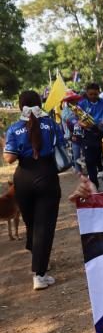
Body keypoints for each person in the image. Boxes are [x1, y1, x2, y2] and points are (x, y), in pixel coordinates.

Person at [3, 91, 64, 290]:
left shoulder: (14, 128)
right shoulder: (51, 124)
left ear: (20, 106)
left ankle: (36, 254)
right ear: (40, 104)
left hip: (23, 180)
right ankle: (39, 274)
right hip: (47, 176)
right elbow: (61, 145)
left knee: (32, 224)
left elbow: (9, 158)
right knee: (44, 226)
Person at [77, 82, 103, 190]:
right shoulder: (82, 104)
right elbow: (78, 121)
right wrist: (87, 125)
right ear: (87, 93)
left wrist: (102, 124)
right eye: (90, 94)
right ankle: (94, 185)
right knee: (90, 161)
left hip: (102, 134)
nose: (93, 96)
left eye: (95, 94)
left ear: (99, 92)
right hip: (88, 135)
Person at [62, 90, 84, 174]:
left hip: (81, 133)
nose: (74, 101)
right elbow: (70, 122)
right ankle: (78, 171)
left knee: (82, 152)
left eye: (74, 99)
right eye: (72, 100)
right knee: (76, 153)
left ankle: (80, 168)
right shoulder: (65, 111)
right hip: (72, 135)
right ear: (68, 101)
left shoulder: (78, 108)